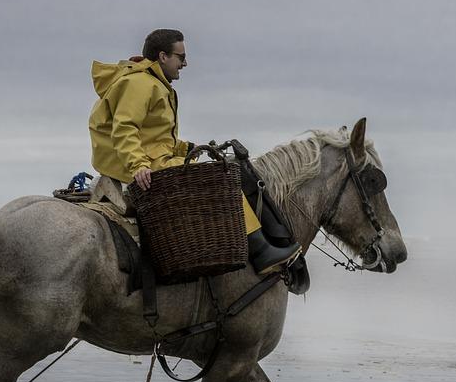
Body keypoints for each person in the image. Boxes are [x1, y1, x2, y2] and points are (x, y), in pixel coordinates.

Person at [87, 28, 300, 274]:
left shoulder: (152, 83)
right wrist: (138, 166)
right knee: (220, 180)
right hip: (135, 163)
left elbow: (154, 136)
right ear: (163, 56)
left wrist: (186, 148)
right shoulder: (140, 84)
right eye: (180, 57)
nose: (185, 63)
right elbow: (124, 127)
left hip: (148, 157)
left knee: (221, 169)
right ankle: (261, 251)